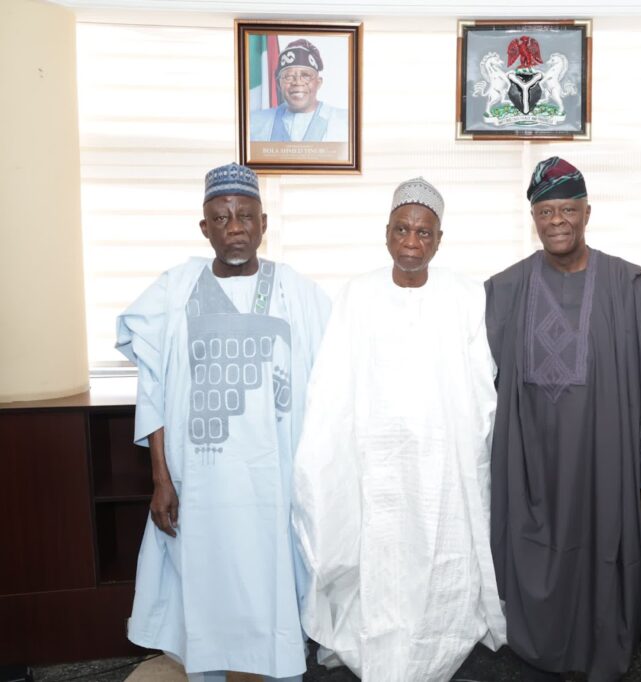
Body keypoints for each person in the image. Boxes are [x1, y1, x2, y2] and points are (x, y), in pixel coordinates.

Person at [116, 163, 332, 681]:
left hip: (273, 480)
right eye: (221, 217)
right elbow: (154, 388)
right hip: (202, 482)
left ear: (263, 223)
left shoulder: (297, 292)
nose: (234, 226)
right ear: (204, 227)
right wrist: (160, 478)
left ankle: (279, 670)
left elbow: (334, 383)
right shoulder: (175, 289)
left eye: (244, 216)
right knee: (205, 589)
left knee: (272, 584)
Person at [291, 178, 505, 681]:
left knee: (441, 556)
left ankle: (434, 648)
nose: (412, 243)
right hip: (376, 459)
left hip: (442, 459)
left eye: (424, 233)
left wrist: (467, 449)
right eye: (403, 230)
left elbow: (480, 385)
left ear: (439, 239)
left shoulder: (465, 294)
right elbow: (333, 385)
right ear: (386, 233)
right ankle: (380, 651)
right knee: (381, 556)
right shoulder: (358, 294)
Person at [486, 157, 641, 681]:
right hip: (531, 460)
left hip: (606, 457)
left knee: (603, 549)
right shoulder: (503, 290)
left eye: (568, 209)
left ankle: (600, 648)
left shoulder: (630, 287)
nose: (557, 220)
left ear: (587, 213)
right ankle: (537, 647)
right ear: (533, 218)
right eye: (545, 211)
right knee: (532, 548)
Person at [250, 39, 348, 143]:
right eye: (288, 76)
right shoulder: (255, 123)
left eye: (306, 76)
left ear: (318, 82)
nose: (297, 82)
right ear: (279, 84)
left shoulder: (345, 121)